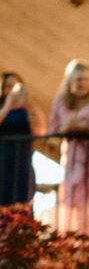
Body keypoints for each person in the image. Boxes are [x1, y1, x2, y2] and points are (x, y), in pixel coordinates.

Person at [47, 60, 89, 233]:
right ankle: (71, 235)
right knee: (72, 195)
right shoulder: (61, 100)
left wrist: (85, 126)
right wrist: (65, 127)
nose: (81, 83)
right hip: (72, 157)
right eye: (77, 80)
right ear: (69, 81)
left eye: (84, 79)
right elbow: (52, 128)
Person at [0, 73, 33, 210]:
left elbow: (40, 130)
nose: (12, 90)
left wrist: (28, 106)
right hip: (2, 164)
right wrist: (8, 105)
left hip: (22, 165)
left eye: (15, 86)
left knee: (21, 203)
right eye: (8, 86)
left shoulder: (27, 109)